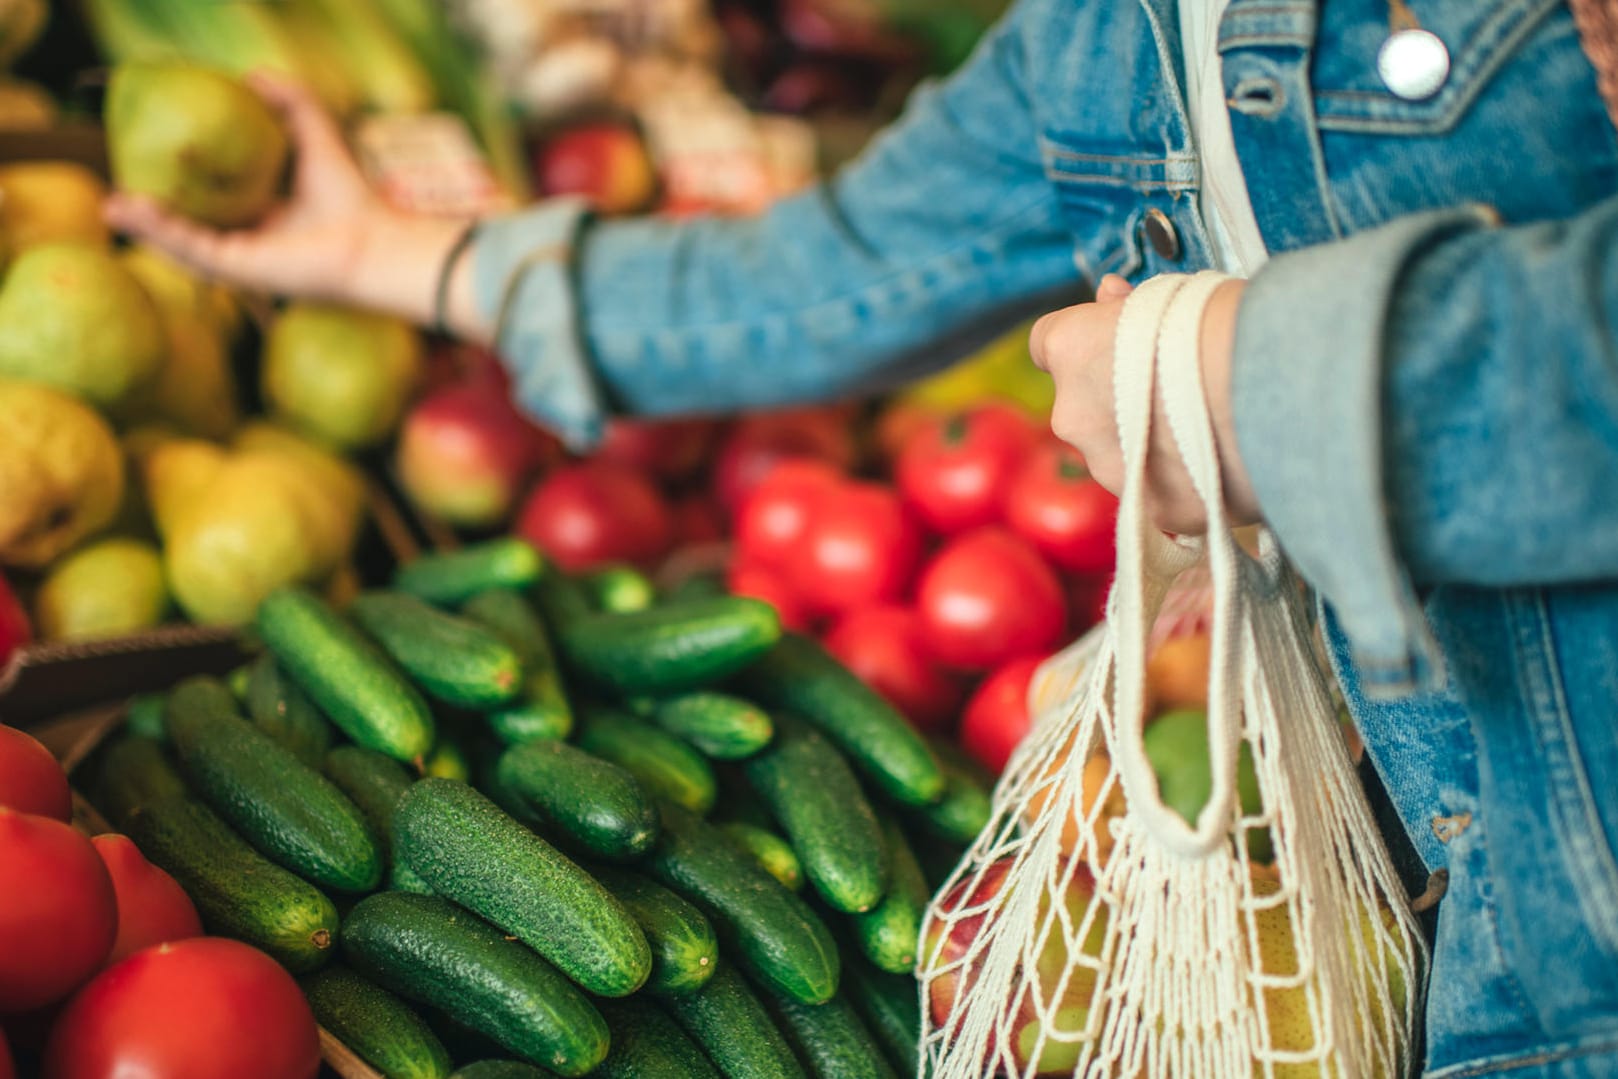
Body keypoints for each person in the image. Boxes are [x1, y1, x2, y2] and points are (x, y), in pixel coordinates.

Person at [107, 0, 1618, 1073]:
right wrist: (376, 249)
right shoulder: (1108, 42)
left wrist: (1244, 385)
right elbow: (819, 276)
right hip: (1478, 936)